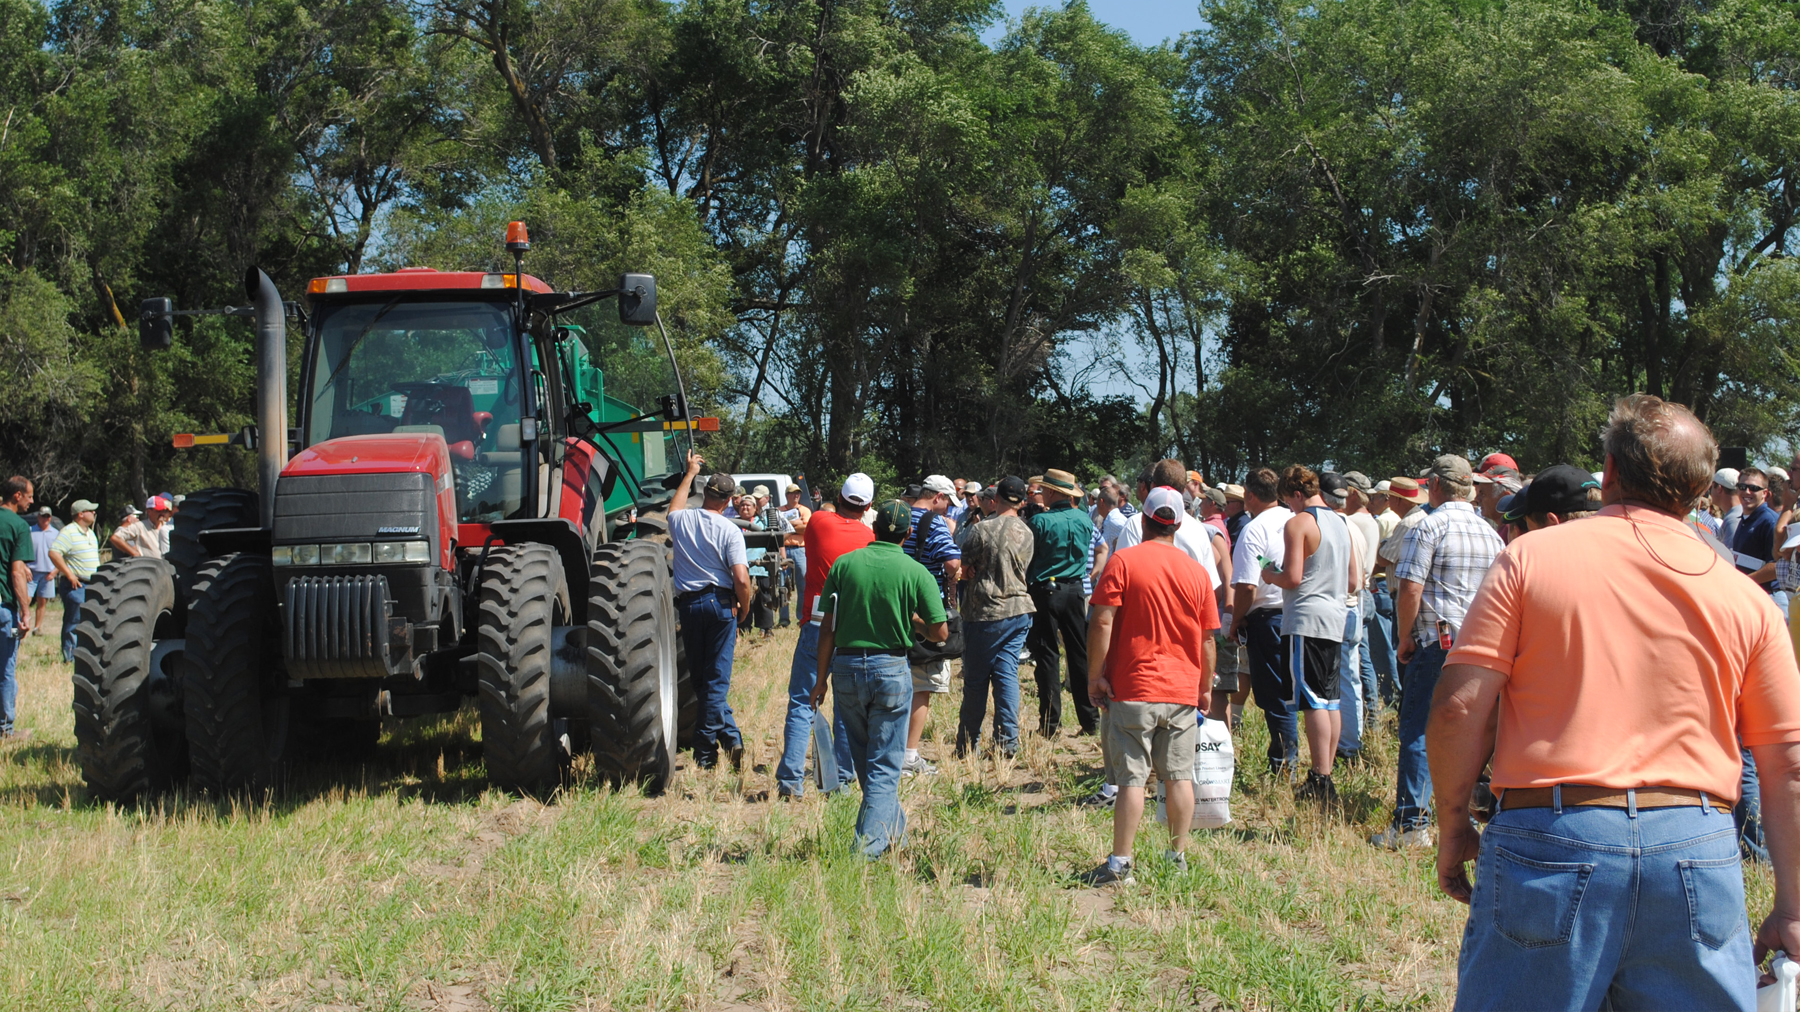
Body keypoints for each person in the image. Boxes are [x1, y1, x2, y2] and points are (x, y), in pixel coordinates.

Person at [1429, 394, 1800, 1010]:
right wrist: (1791, 904)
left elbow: (1457, 708)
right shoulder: (1745, 598)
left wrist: (1451, 824)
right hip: (1696, 844)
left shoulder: (1530, 558)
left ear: (1608, 471)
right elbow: (1786, 759)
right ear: (1702, 486)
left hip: (1551, 833)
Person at [1081, 486, 1218, 885]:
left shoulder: (1123, 561)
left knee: (1131, 780)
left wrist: (1095, 675)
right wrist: (1204, 686)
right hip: (1180, 689)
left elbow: (1102, 620)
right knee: (1178, 776)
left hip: (1134, 687)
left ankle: (1121, 863)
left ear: (1142, 520)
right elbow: (1209, 638)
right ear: (1177, 523)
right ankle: (1177, 856)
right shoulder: (1196, 572)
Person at [1371, 455, 1504, 848]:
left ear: (1434, 486)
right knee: (1470, 735)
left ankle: (1412, 823)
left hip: (1438, 642)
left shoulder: (1428, 527)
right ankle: (1467, 817)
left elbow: (1410, 587)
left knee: (1418, 730)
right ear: (1471, 488)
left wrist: (1405, 636)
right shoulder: (1490, 533)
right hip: (1479, 645)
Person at [811, 500, 948, 859]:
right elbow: (940, 632)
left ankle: (893, 837)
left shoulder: (845, 564)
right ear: (907, 534)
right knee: (885, 769)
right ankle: (865, 852)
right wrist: (913, 621)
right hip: (891, 668)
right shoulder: (915, 570)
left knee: (868, 767)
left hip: (845, 668)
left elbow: (827, 627)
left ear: (875, 528)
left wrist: (820, 680)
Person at [1259, 466, 1355, 804]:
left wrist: (1271, 575)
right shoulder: (1341, 523)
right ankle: (1324, 772)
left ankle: (1320, 777)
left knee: (1312, 700)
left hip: (1306, 619)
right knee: (1331, 699)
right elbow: (1354, 580)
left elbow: (1294, 577)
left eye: (1288, 501)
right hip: (1335, 618)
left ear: (1296, 495)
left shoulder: (1299, 523)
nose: (1289, 508)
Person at [775, 474, 875, 798]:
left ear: (840, 497)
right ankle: (842, 781)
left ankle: (791, 781)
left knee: (803, 702)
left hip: (817, 623)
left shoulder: (818, 521)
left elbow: (815, 516)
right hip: (850, 627)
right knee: (846, 708)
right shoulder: (870, 537)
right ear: (869, 506)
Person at [668, 454, 753, 770]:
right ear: (729, 500)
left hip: (689, 606)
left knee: (702, 680)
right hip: (720, 605)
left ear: (706, 493)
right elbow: (741, 578)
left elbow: (674, 506)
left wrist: (690, 473)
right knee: (715, 681)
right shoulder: (730, 531)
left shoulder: (682, 520)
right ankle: (707, 751)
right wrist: (744, 608)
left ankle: (730, 740)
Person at [956, 475, 1036, 758]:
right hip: (1018, 612)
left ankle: (967, 745)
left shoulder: (981, 530)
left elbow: (963, 567)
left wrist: (969, 571)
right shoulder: (1027, 532)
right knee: (1006, 675)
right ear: (1022, 501)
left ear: (996, 498)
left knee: (976, 680)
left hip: (985, 612)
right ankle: (1007, 742)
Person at [1227, 467, 1299, 771]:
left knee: (1274, 694)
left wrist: (1236, 620)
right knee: (1292, 693)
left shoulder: (1254, 529)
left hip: (1267, 619)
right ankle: (1288, 758)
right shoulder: (1295, 520)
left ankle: (1284, 763)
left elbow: (1246, 586)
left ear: (1250, 495)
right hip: (1297, 613)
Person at [899, 474, 963, 776]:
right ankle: (909, 756)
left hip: (895, 604)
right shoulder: (934, 521)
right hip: (924, 609)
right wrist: (956, 576)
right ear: (936, 496)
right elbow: (951, 563)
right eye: (948, 501)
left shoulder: (896, 514)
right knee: (922, 684)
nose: (948, 508)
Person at [1025, 469, 1095, 737]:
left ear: (1053, 493)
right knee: (1079, 654)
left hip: (1046, 590)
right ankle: (1089, 720)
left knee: (1047, 655)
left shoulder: (1040, 522)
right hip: (1076, 590)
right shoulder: (1085, 520)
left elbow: (1030, 557)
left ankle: (1050, 723)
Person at [0, 477, 33, 740]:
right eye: (30, 496)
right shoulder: (18, 525)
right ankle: (5, 730)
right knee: (5, 669)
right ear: (18, 496)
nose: (32, 501)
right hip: (3, 610)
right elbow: (16, 573)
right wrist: (25, 611)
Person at [48, 499, 99, 664]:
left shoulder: (89, 532)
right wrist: (69, 574)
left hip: (92, 584)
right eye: (91, 511)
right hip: (76, 585)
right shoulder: (69, 531)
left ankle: (86, 655)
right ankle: (70, 657)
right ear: (81, 514)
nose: (94, 513)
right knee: (74, 620)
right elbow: (54, 552)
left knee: (91, 621)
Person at [1736, 466, 1779, 592]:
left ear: (1764, 493)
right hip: (1749, 593)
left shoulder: (1769, 521)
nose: (1747, 492)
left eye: (1754, 488)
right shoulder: (1745, 518)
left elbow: (1777, 565)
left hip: (1769, 595)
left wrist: (1743, 582)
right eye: (1742, 487)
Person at [778, 483, 812, 628]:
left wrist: (787, 526)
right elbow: (778, 531)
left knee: (803, 584)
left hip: (800, 550)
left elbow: (807, 530)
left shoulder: (805, 510)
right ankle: (783, 619)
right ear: (787, 495)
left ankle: (802, 617)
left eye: (798, 493)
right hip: (783, 549)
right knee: (781, 584)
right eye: (792, 493)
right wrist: (795, 524)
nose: (796, 496)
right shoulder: (779, 510)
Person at [27, 507, 57, 635]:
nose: (45, 519)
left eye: (48, 516)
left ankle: (37, 628)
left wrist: (55, 571)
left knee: (42, 601)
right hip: (31, 572)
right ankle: (22, 626)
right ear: (38, 517)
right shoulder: (30, 531)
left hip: (48, 573)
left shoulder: (56, 533)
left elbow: (62, 555)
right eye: (43, 516)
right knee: (25, 600)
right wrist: (25, 567)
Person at [1712, 468, 1743, 545]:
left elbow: (1729, 554)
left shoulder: (1733, 520)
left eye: (1712, 487)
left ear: (1719, 488)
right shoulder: (1736, 514)